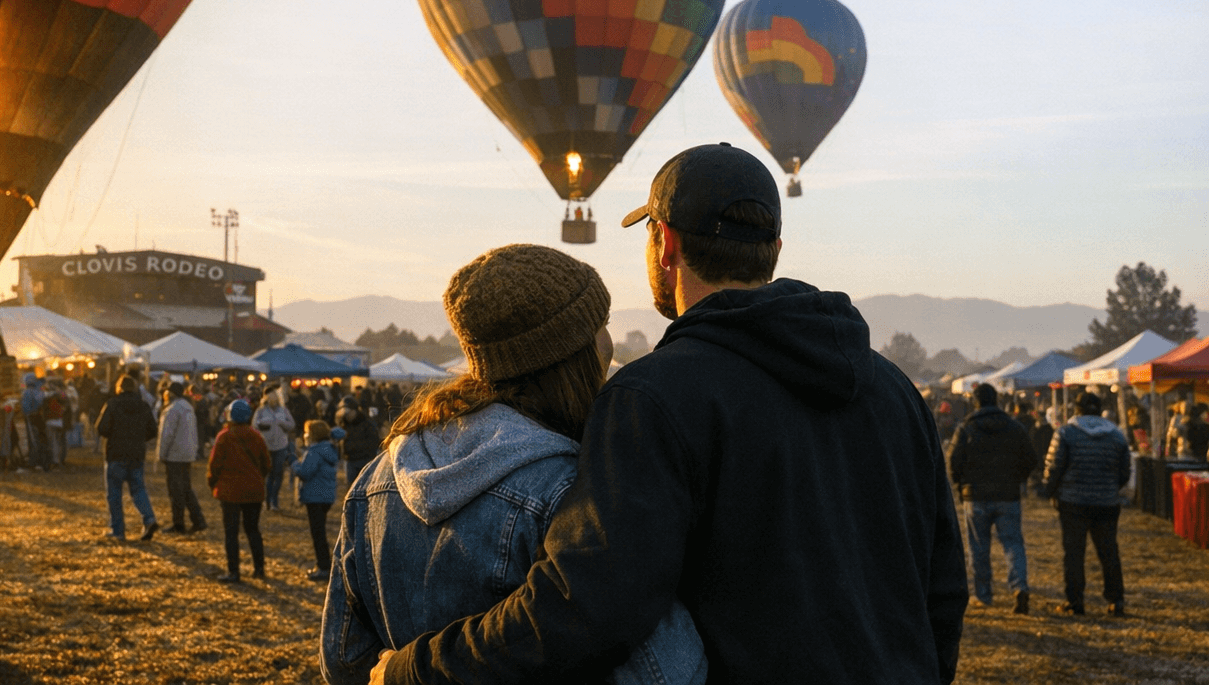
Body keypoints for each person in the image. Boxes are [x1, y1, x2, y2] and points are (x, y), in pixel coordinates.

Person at [370, 142, 967, 685]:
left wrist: (415, 669)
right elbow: (943, 586)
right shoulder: (892, 388)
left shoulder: (653, 396)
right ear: (773, 250)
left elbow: (587, 606)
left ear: (666, 242)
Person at [322, 245, 704, 685]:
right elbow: (664, 672)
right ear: (577, 353)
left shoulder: (376, 480)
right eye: (604, 324)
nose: (609, 341)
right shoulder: (570, 490)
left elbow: (344, 660)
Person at [948, 382, 1038, 613]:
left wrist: (960, 484)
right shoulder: (1014, 427)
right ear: (996, 400)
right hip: (1008, 495)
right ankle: (1019, 587)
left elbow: (954, 462)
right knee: (1013, 544)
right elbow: (1030, 458)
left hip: (975, 495)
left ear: (975, 401)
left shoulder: (966, 428)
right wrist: (1018, 478)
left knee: (978, 548)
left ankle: (983, 594)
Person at [1043, 390, 1131, 616]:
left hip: (1073, 502)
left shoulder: (1065, 433)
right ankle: (1116, 600)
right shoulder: (1116, 434)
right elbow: (1124, 472)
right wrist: (1109, 487)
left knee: (1074, 554)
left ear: (1076, 409)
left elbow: (1054, 467)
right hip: (1107, 502)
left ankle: (1075, 601)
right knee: (1109, 552)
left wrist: (1049, 491)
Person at [207, 397, 270, 582]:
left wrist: (213, 484)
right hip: (253, 491)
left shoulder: (225, 437)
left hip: (230, 492)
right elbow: (266, 463)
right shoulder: (256, 436)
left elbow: (214, 465)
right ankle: (259, 569)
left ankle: (233, 571)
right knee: (253, 530)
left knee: (231, 532)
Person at [96, 375, 159, 542]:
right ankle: (149, 518)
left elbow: (101, 427)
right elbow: (153, 429)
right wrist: (138, 438)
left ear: (119, 387)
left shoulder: (112, 404)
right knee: (139, 490)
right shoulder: (143, 406)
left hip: (115, 453)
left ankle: (118, 530)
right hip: (136, 454)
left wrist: (114, 435)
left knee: (114, 494)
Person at [291, 419, 340, 581]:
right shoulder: (328, 449)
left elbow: (305, 472)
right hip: (326, 496)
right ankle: (325, 564)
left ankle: (323, 566)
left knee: (317, 533)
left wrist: (294, 464)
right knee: (321, 531)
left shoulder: (314, 452)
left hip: (314, 496)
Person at [157, 381, 207, 535]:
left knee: (175, 490)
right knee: (186, 488)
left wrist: (161, 454)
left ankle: (178, 523)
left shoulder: (172, 410)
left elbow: (167, 434)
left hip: (175, 454)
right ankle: (198, 520)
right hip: (187, 453)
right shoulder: (188, 408)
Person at [253, 388, 297, 512]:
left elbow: (292, 424)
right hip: (266, 445)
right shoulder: (261, 410)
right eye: (270, 397)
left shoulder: (283, 410)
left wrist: (283, 424)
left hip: (281, 445)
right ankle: (266, 500)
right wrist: (264, 424)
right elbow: (255, 425)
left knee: (278, 474)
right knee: (268, 474)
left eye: (275, 397)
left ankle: (274, 500)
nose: (273, 400)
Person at [335, 393, 381, 485]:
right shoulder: (345, 423)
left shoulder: (367, 424)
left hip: (364, 460)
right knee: (350, 487)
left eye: (348, 412)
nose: (346, 415)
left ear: (355, 410)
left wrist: (354, 447)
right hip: (350, 460)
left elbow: (374, 442)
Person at [19, 373, 49, 472]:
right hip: (39, 418)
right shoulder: (39, 391)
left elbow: (26, 408)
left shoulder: (28, 392)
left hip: (31, 417)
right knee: (41, 439)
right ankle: (43, 462)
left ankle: (35, 462)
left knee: (33, 440)